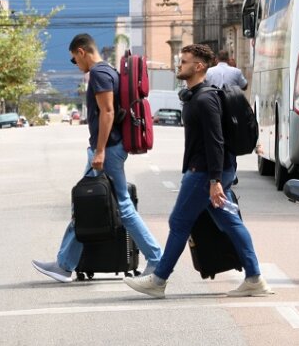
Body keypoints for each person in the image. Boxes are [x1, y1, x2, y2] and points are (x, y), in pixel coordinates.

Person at [124, 44, 272, 299]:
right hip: (210, 170)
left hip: (204, 172)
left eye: (184, 61)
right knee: (229, 221)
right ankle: (254, 278)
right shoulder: (196, 96)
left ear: (199, 66)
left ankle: (159, 279)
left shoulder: (205, 99)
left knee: (179, 222)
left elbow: (216, 141)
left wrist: (215, 180)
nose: (179, 65)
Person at [32, 34, 163, 282]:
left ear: (82, 52)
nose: (76, 64)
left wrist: (100, 150)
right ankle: (64, 263)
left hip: (108, 149)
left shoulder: (99, 74)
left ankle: (157, 259)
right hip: (108, 148)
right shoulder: (109, 71)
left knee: (114, 207)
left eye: (74, 59)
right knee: (86, 206)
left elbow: (108, 111)